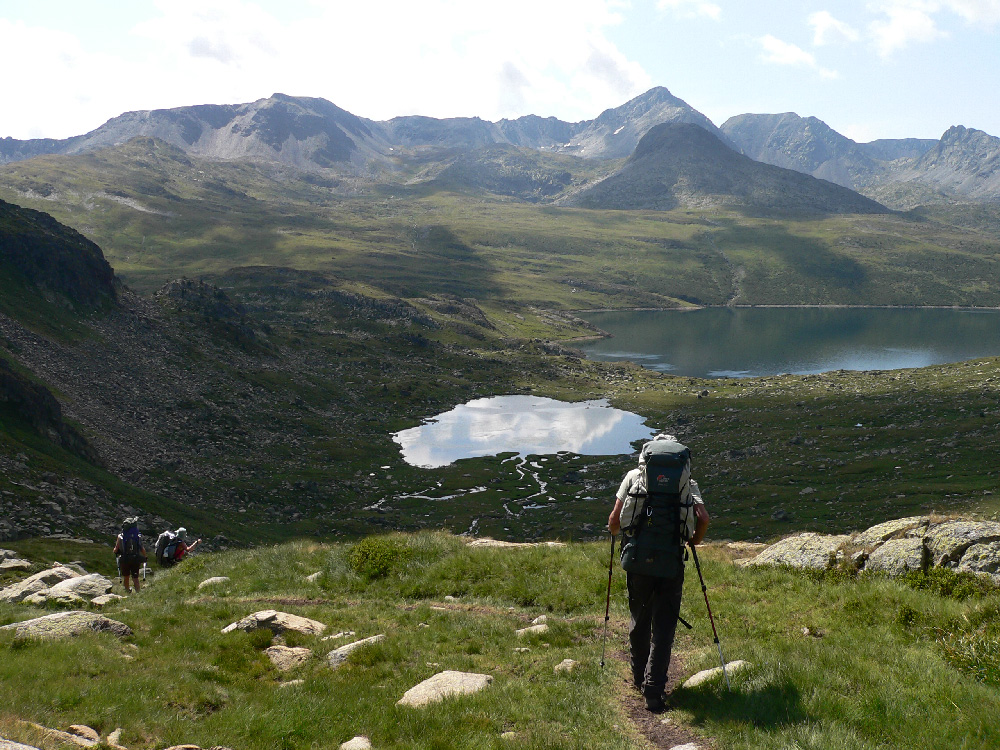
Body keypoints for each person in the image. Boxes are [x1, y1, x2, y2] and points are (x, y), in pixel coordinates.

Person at [608, 434, 710, 712]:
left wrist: (619, 535)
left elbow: (615, 520)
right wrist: (694, 541)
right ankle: (654, 690)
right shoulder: (687, 483)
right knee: (664, 627)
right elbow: (702, 518)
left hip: (638, 560)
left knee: (639, 619)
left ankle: (638, 678)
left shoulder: (633, 476)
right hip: (671, 562)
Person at [114, 518, 148, 594]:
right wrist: (145, 557)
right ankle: (138, 592)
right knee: (135, 577)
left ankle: (127, 591)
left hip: (125, 559)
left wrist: (116, 551)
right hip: (135, 558)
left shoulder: (120, 536)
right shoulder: (137, 536)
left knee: (126, 577)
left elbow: (116, 550)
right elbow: (142, 548)